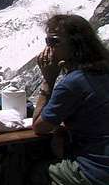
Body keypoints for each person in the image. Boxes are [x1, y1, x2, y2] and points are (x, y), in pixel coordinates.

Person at [32, 14, 109, 185]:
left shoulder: (73, 83)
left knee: (36, 170)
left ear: (76, 45)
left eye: (54, 42)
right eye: (47, 42)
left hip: (95, 172)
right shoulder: (103, 71)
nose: (49, 48)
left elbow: (40, 127)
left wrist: (48, 81)